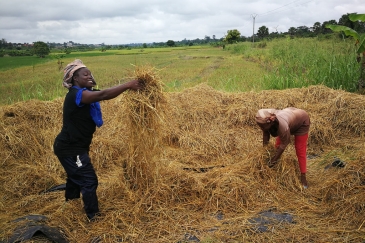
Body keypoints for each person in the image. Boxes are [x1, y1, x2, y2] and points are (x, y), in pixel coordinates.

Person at [53, 59, 144, 220]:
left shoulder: (85, 93)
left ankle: (71, 204)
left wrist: (128, 87)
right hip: (70, 148)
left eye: (90, 74)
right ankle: (93, 217)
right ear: (75, 78)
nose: (89, 76)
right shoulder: (77, 95)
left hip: (75, 146)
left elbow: (106, 92)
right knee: (88, 180)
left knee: (75, 176)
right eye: (85, 74)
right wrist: (129, 85)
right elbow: (103, 94)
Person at [255, 107, 310, 189]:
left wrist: (274, 160)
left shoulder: (282, 126)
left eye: (262, 126)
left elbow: (285, 143)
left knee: (300, 150)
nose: (261, 128)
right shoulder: (266, 122)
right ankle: (276, 167)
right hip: (290, 117)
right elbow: (266, 135)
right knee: (277, 146)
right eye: (260, 126)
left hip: (301, 121)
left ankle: (303, 176)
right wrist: (264, 153)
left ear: (270, 122)